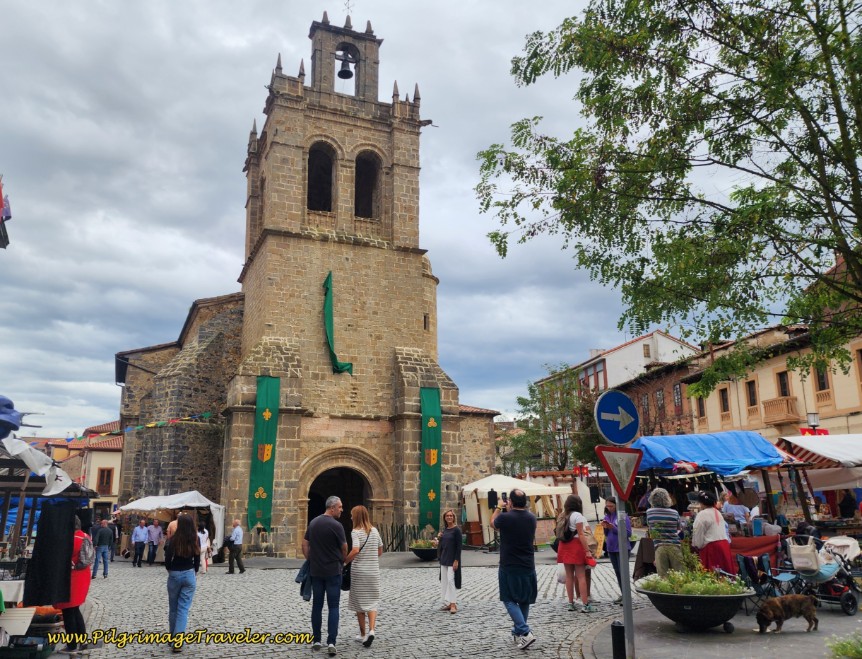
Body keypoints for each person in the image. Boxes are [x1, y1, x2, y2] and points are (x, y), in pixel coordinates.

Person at [491, 488, 538, 650]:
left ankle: (525, 632)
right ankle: (519, 631)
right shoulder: (532, 518)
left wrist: (498, 507)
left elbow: (493, 524)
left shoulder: (504, 517)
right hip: (528, 564)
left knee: (508, 598)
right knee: (524, 599)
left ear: (510, 502)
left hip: (509, 565)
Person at [303, 495, 348, 656]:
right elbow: (344, 547)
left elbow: (305, 543)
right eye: (340, 507)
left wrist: (310, 559)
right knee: (334, 606)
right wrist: (342, 561)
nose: (342, 509)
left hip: (316, 571)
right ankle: (331, 642)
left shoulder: (313, 522)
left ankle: (316, 640)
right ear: (332, 507)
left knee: (317, 605)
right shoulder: (337, 526)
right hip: (333, 571)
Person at [346, 505, 383, 647]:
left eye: (351, 515)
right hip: (373, 572)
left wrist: (345, 561)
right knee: (372, 602)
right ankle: (372, 631)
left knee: (359, 604)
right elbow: (380, 551)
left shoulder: (355, 532)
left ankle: (362, 634)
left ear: (356, 517)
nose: (350, 517)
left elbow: (355, 550)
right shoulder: (374, 530)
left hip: (359, 572)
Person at [54, 517, 92, 654]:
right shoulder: (85, 536)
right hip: (83, 575)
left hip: (72, 577)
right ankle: (83, 641)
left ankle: (72, 645)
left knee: (68, 611)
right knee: (75, 610)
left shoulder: (70, 539)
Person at [164, 513, 200, 653]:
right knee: (183, 609)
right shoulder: (194, 539)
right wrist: (194, 571)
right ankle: (178, 642)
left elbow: (167, 558)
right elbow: (197, 559)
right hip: (189, 573)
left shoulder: (173, 540)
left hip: (174, 574)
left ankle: (173, 637)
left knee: (173, 608)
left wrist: (170, 569)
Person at [555, 494, 596, 613]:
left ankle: (570, 603)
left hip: (564, 545)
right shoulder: (578, 516)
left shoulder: (563, 515)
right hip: (576, 545)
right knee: (581, 576)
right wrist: (587, 551)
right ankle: (585, 604)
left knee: (569, 576)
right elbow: (582, 534)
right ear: (578, 504)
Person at [692, 491, 736, 574]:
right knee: (725, 573)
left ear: (701, 503)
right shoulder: (718, 512)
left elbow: (698, 532)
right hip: (724, 545)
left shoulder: (702, 514)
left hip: (711, 547)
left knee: (713, 574)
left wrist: (697, 545)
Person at [645, 487, 684, 577]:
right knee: (679, 575)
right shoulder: (675, 513)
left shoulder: (649, 512)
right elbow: (679, 528)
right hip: (675, 546)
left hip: (659, 546)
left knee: (663, 576)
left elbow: (650, 527)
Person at [601, 496, 631, 605]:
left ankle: (627, 596)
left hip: (621, 548)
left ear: (616, 505)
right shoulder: (607, 516)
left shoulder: (622, 516)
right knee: (618, 572)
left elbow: (628, 533)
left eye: (611, 506)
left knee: (623, 572)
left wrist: (612, 527)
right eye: (607, 506)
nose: (609, 508)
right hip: (611, 548)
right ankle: (623, 594)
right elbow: (607, 534)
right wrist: (605, 527)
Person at [436, 509, 462, 614]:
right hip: (444, 559)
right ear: (445, 518)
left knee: (451, 581)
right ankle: (448, 602)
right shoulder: (445, 530)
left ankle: (453, 604)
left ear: (454, 517)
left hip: (452, 559)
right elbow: (442, 546)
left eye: (451, 516)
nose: (449, 517)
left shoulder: (457, 530)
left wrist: (456, 560)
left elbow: (459, 547)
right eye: (447, 516)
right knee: (444, 582)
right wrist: (439, 538)